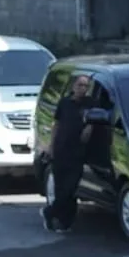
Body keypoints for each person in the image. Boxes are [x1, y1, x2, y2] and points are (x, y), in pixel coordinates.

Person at [41, 73, 95, 233]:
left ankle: (49, 212)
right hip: (61, 150)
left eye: (86, 86)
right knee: (61, 189)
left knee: (70, 188)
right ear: (73, 86)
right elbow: (56, 124)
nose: (83, 89)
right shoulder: (64, 103)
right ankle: (63, 222)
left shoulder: (90, 103)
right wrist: (51, 146)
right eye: (80, 85)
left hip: (77, 153)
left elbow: (95, 118)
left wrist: (89, 127)